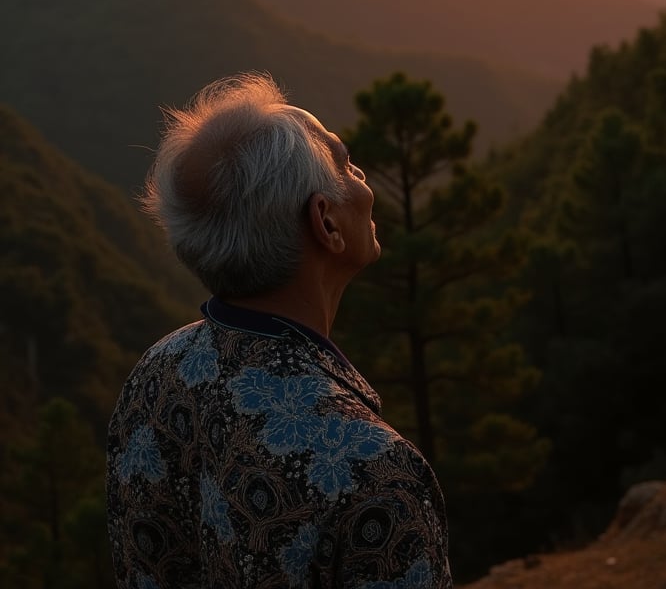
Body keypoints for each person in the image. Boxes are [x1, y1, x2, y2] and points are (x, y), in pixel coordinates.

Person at [106, 73, 452, 589]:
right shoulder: (377, 476)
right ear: (326, 224)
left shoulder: (156, 375)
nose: (363, 178)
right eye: (345, 163)